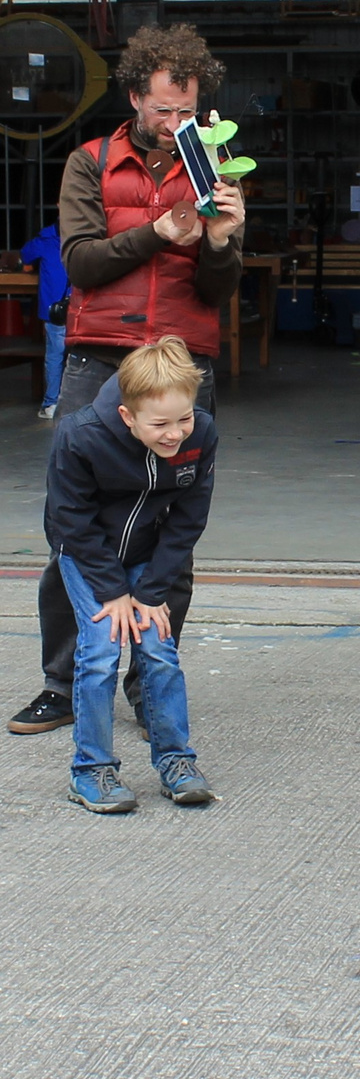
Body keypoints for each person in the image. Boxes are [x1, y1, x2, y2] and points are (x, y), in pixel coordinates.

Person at [8, 23, 244, 736]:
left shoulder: (215, 162)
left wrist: (222, 241)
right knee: (68, 527)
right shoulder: (89, 161)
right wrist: (158, 234)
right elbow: (78, 263)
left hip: (182, 353)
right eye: (163, 109)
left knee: (172, 526)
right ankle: (63, 680)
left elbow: (218, 289)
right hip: (101, 353)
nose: (175, 125)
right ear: (136, 94)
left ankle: (149, 680)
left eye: (187, 110)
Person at [47, 337, 218, 813]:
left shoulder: (201, 433)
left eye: (183, 418)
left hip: (148, 554)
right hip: (87, 555)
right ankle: (91, 770)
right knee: (101, 650)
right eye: (159, 424)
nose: (175, 434)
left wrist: (149, 591)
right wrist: (113, 591)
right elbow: (71, 519)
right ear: (127, 416)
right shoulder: (79, 435)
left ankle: (176, 761)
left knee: (158, 648)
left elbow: (189, 519)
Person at [20, 218, 69, 420]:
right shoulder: (87, 237)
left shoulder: (45, 240)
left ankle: (51, 403)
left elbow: (26, 255)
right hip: (82, 307)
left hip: (54, 309)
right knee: (84, 357)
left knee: (55, 357)